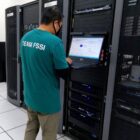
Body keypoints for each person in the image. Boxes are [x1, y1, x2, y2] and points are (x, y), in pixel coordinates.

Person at [20, 7, 72, 140]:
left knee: (31, 127)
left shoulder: (26, 37)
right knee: (48, 134)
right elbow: (64, 74)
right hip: (47, 102)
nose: (60, 28)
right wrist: (67, 62)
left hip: (30, 97)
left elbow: (22, 60)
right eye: (60, 24)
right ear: (55, 22)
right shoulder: (55, 42)